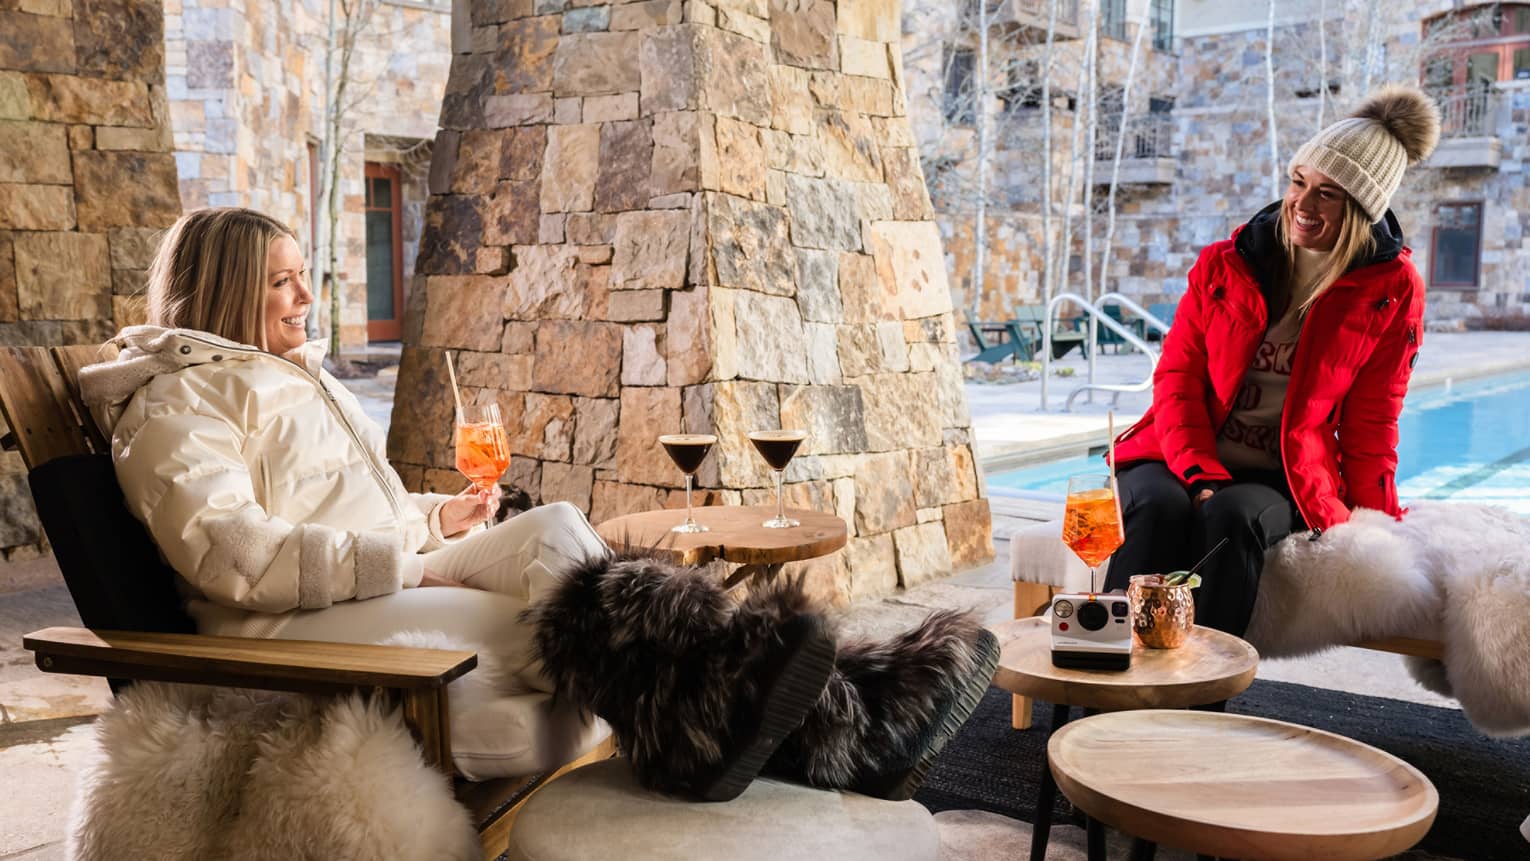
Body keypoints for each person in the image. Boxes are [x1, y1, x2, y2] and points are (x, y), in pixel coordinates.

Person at [80, 207, 997, 802]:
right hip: (290, 627)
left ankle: (786, 714)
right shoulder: (176, 399)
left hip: (365, 578)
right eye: (281, 280)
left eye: (301, 274)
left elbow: (373, 509)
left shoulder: (285, 379)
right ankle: (843, 717)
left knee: (557, 531)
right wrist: (403, 559)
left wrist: (438, 521)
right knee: (552, 625)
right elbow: (232, 555)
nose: (306, 295)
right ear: (227, 285)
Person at [1105, 85, 1441, 637]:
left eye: (1328, 194)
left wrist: (1381, 521)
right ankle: (1108, 689)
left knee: (1231, 518)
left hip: (1277, 473)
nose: (1302, 205)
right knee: (1160, 510)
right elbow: (1177, 380)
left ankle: (1198, 704)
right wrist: (1197, 471)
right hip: (1175, 451)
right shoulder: (1224, 263)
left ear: (1361, 208)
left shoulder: (1392, 289)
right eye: (1298, 181)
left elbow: (1373, 417)